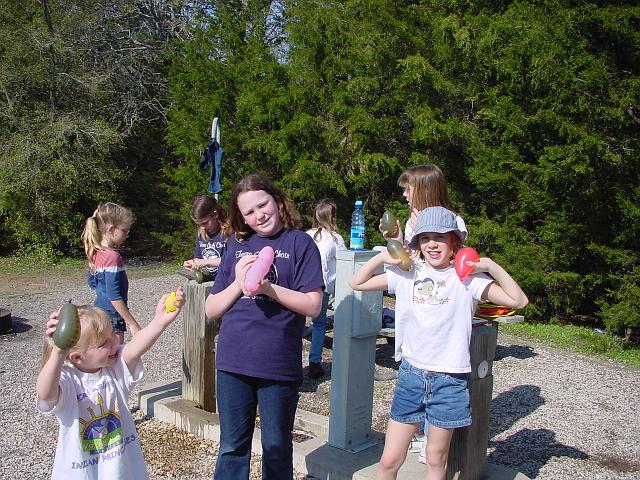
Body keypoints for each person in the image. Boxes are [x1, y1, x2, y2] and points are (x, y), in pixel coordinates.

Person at [350, 207, 527, 480]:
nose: (432, 244)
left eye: (440, 237)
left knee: (435, 460)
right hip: (411, 376)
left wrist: (490, 265)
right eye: (425, 238)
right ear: (418, 243)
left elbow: (518, 301)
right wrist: (381, 258)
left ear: (454, 241)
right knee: (389, 460)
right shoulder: (409, 274)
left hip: (450, 381)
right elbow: (356, 283)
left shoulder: (468, 279)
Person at [205, 173, 324, 479]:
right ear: (241, 217)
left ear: (277, 200)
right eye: (249, 211)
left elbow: (313, 305)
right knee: (232, 446)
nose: (259, 215)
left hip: (277, 365)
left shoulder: (300, 243)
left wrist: (269, 289)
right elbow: (211, 308)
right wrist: (237, 283)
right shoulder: (237, 244)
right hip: (233, 361)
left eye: (263, 204)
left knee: (276, 447)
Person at [36, 289, 186, 480]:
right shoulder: (67, 379)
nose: (115, 341)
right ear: (76, 357)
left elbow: (135, 347)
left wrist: (159, 321)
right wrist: (58, 351)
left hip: (121, 472)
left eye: (112, 335)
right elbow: (45, 393)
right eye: (103, 343)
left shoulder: (114, 369)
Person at [380, 163, 467, 460]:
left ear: (424, 188)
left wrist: (414, 235)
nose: (404, 194)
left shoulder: (455, 221)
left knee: (437, 379)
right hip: (415, 311)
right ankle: (420, 435)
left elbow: (447, 264)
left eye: (408, 188)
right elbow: (409, 264)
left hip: (440, 317)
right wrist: (398, 238)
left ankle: (434, 444)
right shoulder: (412, 221)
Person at [82, 202, 139, 343]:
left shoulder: (95, 252)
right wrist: (132, 322)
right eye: (125, 231)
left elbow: (92, 283)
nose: (127, 235)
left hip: (98, 310)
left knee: (103, 354)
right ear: (111, 229)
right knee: (115, 355)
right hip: (112, 315)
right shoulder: (113, 257)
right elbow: (114, 296)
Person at [305, 199, 346, 379]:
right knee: (319, 323)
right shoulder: (335, 238)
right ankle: (314, 361)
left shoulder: (307, 235)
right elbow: (345, 259)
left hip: (302, 285)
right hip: (321, 286)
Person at [381, 164, 467, 246]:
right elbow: (410, 258)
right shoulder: (412, 221)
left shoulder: (453, 222)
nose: (404, 194)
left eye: (408, 190)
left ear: (425, 192)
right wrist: (397, 240)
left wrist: (421, 229)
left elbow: (452, 257)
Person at [183, 193, 230, 281]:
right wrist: (193, 263)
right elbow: (199, 258)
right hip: (209, 278)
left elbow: (232, 260)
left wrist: (205, 262)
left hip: (226, 280)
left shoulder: (228, 232)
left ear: (215, 214)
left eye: (205, 223)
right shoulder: (202, 233)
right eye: (199, 225)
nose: (202, 227)